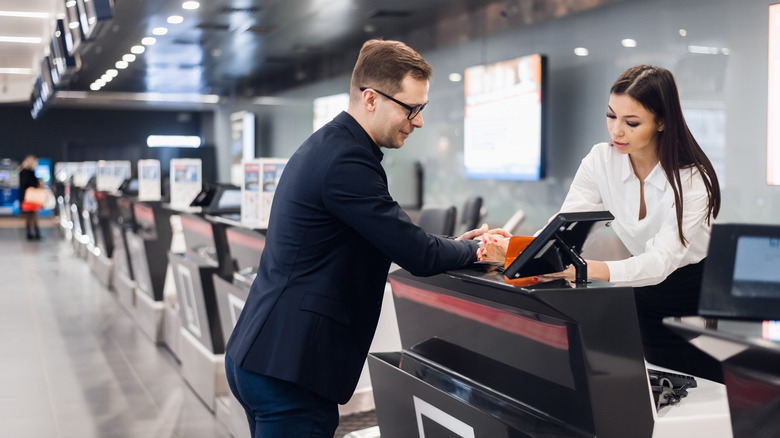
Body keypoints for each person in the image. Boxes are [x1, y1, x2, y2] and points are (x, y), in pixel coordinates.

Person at [225, 39, 508, 437]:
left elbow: (393, 235)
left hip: (268, 356)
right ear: (371, 99)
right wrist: (479, 249)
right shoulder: (347, 160)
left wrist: (456, 244)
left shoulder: (334, 145)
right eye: (412, 109)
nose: (419, 121)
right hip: (289, 370)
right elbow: (418, 254)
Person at [539, 65, 722, 382]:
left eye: (631, 122)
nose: (616, 131)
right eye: (611, 116)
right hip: (641, 288)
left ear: (662, 122)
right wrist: (519, 249)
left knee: (697, 390)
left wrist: (588, 269)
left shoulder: (692, 180)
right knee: (651, 385)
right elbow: (565, 225)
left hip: (691, 293)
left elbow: (662, 261)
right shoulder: (600, 160)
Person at [18, 155, 42, 241]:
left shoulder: (22, 172)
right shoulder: (29, 173)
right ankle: (36, 234)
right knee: (33, 217)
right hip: (31, 198)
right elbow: (30, 185)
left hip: (26, 198)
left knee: (29, 217)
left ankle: (31, 234)